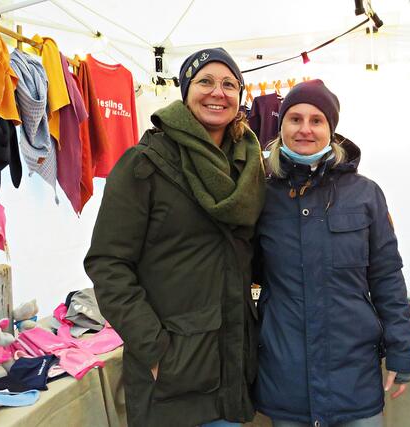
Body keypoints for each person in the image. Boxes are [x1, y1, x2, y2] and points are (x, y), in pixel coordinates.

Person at [84, 47, 265, 427]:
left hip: (230, 369)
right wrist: (155, 351)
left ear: (240, 95)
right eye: (205, 81)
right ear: (185, 91)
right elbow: (108, 263)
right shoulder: (144, 163)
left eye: (229, 84)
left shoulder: (248, 167)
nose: (217, 92)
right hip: (172, 377)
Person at [253, 79, 410, 427]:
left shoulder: (365, 194)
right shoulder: (261, 195)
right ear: (281, 127)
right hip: (287, 374)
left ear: (331, 129)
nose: (305, 129)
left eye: (316, 120)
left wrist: (401, 349)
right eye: (295, 119)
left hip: (353, 374)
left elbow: (387, 276)